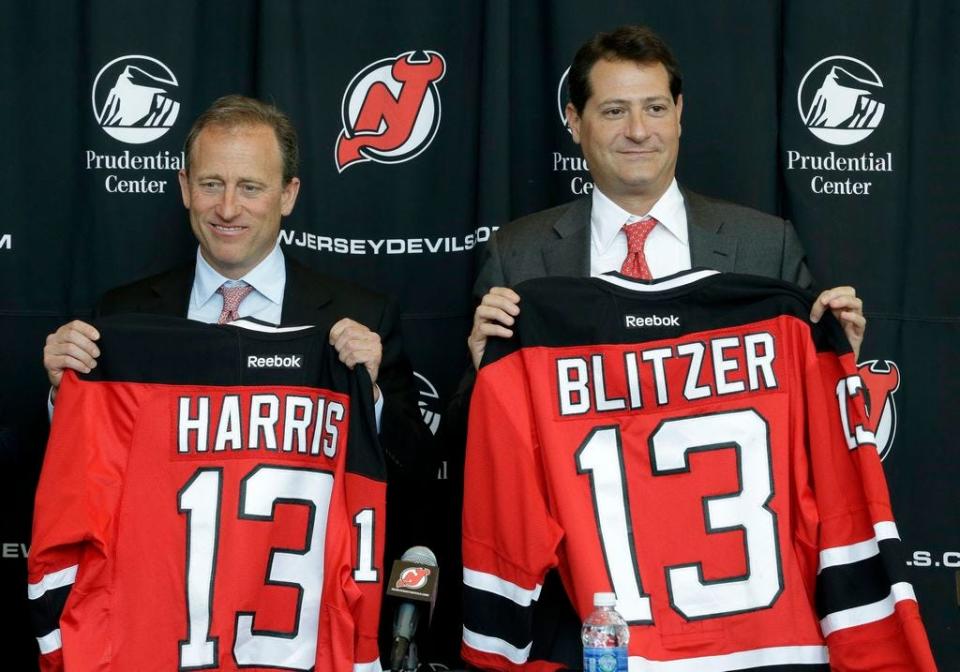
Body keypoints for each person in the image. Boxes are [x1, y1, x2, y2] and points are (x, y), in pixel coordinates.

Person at [42, 94, 433, 476]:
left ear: (287, 195)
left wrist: (371, 399)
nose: (227, 208)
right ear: (184, 187)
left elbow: (415, 469)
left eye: (250, 187)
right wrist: (67, 395)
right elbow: (81, 471)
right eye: (211, 184)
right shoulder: (120, 314)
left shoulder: (362, 316)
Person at [468, 24, 866, 371]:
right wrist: (484, 371)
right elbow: (473, 442)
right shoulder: (516, 258)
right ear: (574, 121)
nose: (639, 131)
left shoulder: (766, 249)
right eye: (614, 112)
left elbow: (810, 420)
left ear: (678, 113)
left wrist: (839, 363)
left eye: (655, 108)